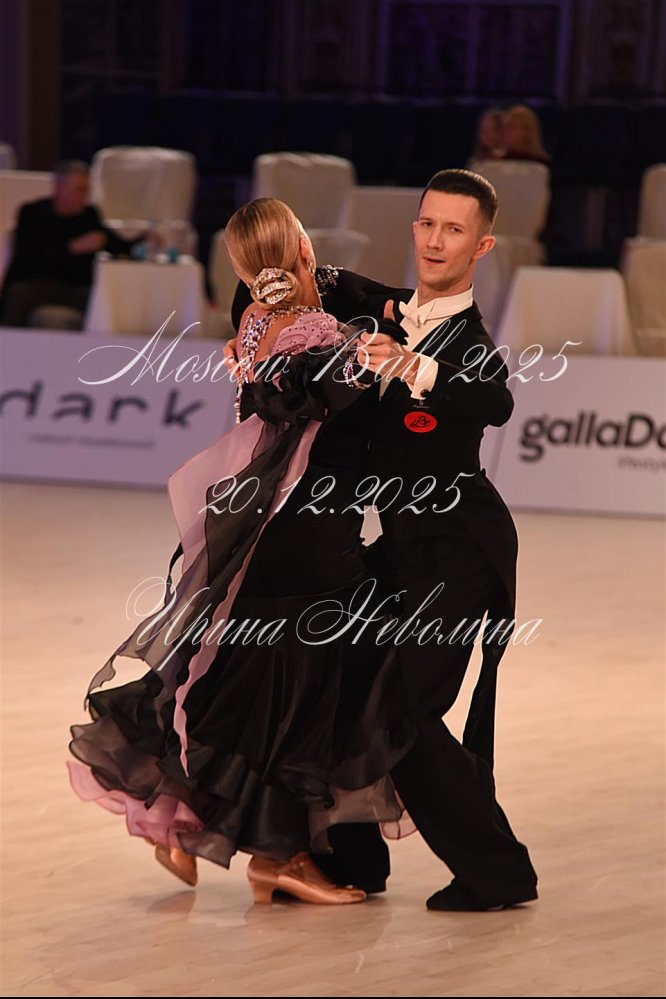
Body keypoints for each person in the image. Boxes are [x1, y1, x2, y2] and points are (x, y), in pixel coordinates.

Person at [67, 196, 418, 905]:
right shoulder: (323, 333)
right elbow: (348, 399)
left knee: (239, 677)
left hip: (261, 522)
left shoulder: (255, 322)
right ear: (304, 247)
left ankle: (189, 820)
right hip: (307, 528)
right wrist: (388, 355)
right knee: (296, 687)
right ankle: (279, 856)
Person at [227, 169, 539, 912]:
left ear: (482, 245)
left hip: (461, 550)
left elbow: (494, 398)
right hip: (398, 546)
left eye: (455, 230)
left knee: (405, 712)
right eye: (428, 223)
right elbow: (293, 278)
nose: (436, 240)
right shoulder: (375, 310)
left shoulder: (468, 341)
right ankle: (352, 860)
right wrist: (259, 329)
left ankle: (499, 874)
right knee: (339, 674)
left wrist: (414, 365)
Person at [0, 160, 138, 328]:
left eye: (86, 190)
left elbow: (118, 245)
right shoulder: (33, 214)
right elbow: (28, 259)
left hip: (75, 290)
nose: (85, 195)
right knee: (20, 293)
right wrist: (72, 248)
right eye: (79, 189)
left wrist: (144, 239)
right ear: (59, 188)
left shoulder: (89, 215)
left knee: (105, 299)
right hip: (37, 285)